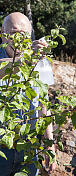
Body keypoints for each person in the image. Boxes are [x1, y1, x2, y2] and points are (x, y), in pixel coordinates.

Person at [0, 12, 56, 176]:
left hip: (28, 151)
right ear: (2, 35)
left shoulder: (39, 62)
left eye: (24, 35)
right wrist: (26, 58)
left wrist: (49, 144)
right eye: (14, 34)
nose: (20, 40)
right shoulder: (29, 58)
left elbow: (43, 105)